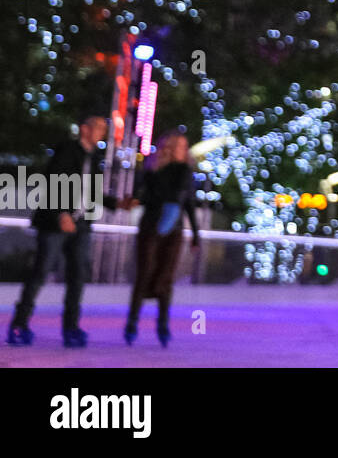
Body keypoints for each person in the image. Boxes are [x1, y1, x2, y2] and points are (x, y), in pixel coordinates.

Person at [7, 113, 132, 348]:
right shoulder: (66, 150)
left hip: (81, 224)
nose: (101, 133)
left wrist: (117, 204)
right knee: (41, 271)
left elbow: (91, 192)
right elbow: (52, 181)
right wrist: (61, 213)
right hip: (55, 223)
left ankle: (71, 327)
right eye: (98, 128)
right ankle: (19, 324)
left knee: (78, 276)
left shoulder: (94, 158)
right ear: (84, 129)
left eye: (103, 129)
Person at [125, 128, 201, 347]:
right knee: (144, 273)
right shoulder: (152, 169)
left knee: (165, 277)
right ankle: (132, 322)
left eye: (185, 147)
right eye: (180, 146)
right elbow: (143, 196)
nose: (184, 151)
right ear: (169, 147)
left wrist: (196, 235)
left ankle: (163, 324)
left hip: (173, 230)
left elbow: (188, 204)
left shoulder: (185, 172)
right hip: (150, 226)